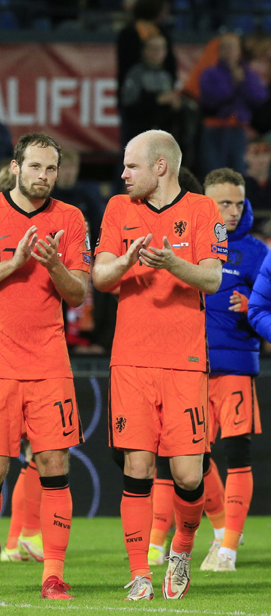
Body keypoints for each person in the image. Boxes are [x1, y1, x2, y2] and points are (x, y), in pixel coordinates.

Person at [0, 132, 88, 601]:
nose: (44, 177)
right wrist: (14, 264)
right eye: (35, 168)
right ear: (15, 167)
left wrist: (54, 267)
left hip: (50, 362)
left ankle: (53, 574)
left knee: (54, 465)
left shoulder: (70, 219)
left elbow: (79, 293)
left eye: (51, 170)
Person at [93, 130, 226, 601]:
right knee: (138, 466)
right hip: (130, 361)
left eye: (131, 166)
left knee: (190, 476)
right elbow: (99, 277)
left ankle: (182, 551)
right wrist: (126, 261)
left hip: (185, 362)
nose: (123, 174)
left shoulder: (202, 211)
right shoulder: (117, 209)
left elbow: (211, 277)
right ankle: (140, 574)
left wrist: (172, 263)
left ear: (160, 167)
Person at [190, 168, 266, 572]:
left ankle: (229, 551)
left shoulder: (256, 252)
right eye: (224, 203)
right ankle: (220, 534)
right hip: (191, 367)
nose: (233, 211)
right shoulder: (188, 242)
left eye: (239, 202)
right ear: (206, 203)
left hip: (235, 365)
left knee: (237, 454)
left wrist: (252, 303)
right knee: (194, 460)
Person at [198, 33, 268, 175]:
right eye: (224, 47)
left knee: (239, 176)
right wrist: (233, 84)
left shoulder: (247, 73)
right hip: (214, 129)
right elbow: (210, 100)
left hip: (238, 130)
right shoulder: (210, 73)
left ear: (239, 51)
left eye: (232, 47)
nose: (228, 51)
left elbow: (260, 97)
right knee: (214, 175)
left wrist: (243, 82)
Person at [120, 34, 181, 146]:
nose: (158, 52)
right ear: (144, 51)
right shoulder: (136, 74)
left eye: (162, 48)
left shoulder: (166, 75)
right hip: (139, 134)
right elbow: (128, 102)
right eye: (153, 48)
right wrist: (156, 99)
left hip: (161, 135)